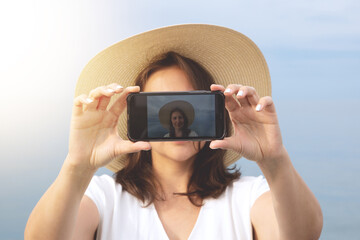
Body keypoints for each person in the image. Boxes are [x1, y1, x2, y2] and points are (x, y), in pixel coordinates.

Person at [25, 24, 323, 240]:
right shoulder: (104, 197)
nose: (176, 121)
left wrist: (274, 160)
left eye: (188, 105)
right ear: (138, 117)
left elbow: (302, 235)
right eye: (162, 108)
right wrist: (77, 166)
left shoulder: (248, 196)